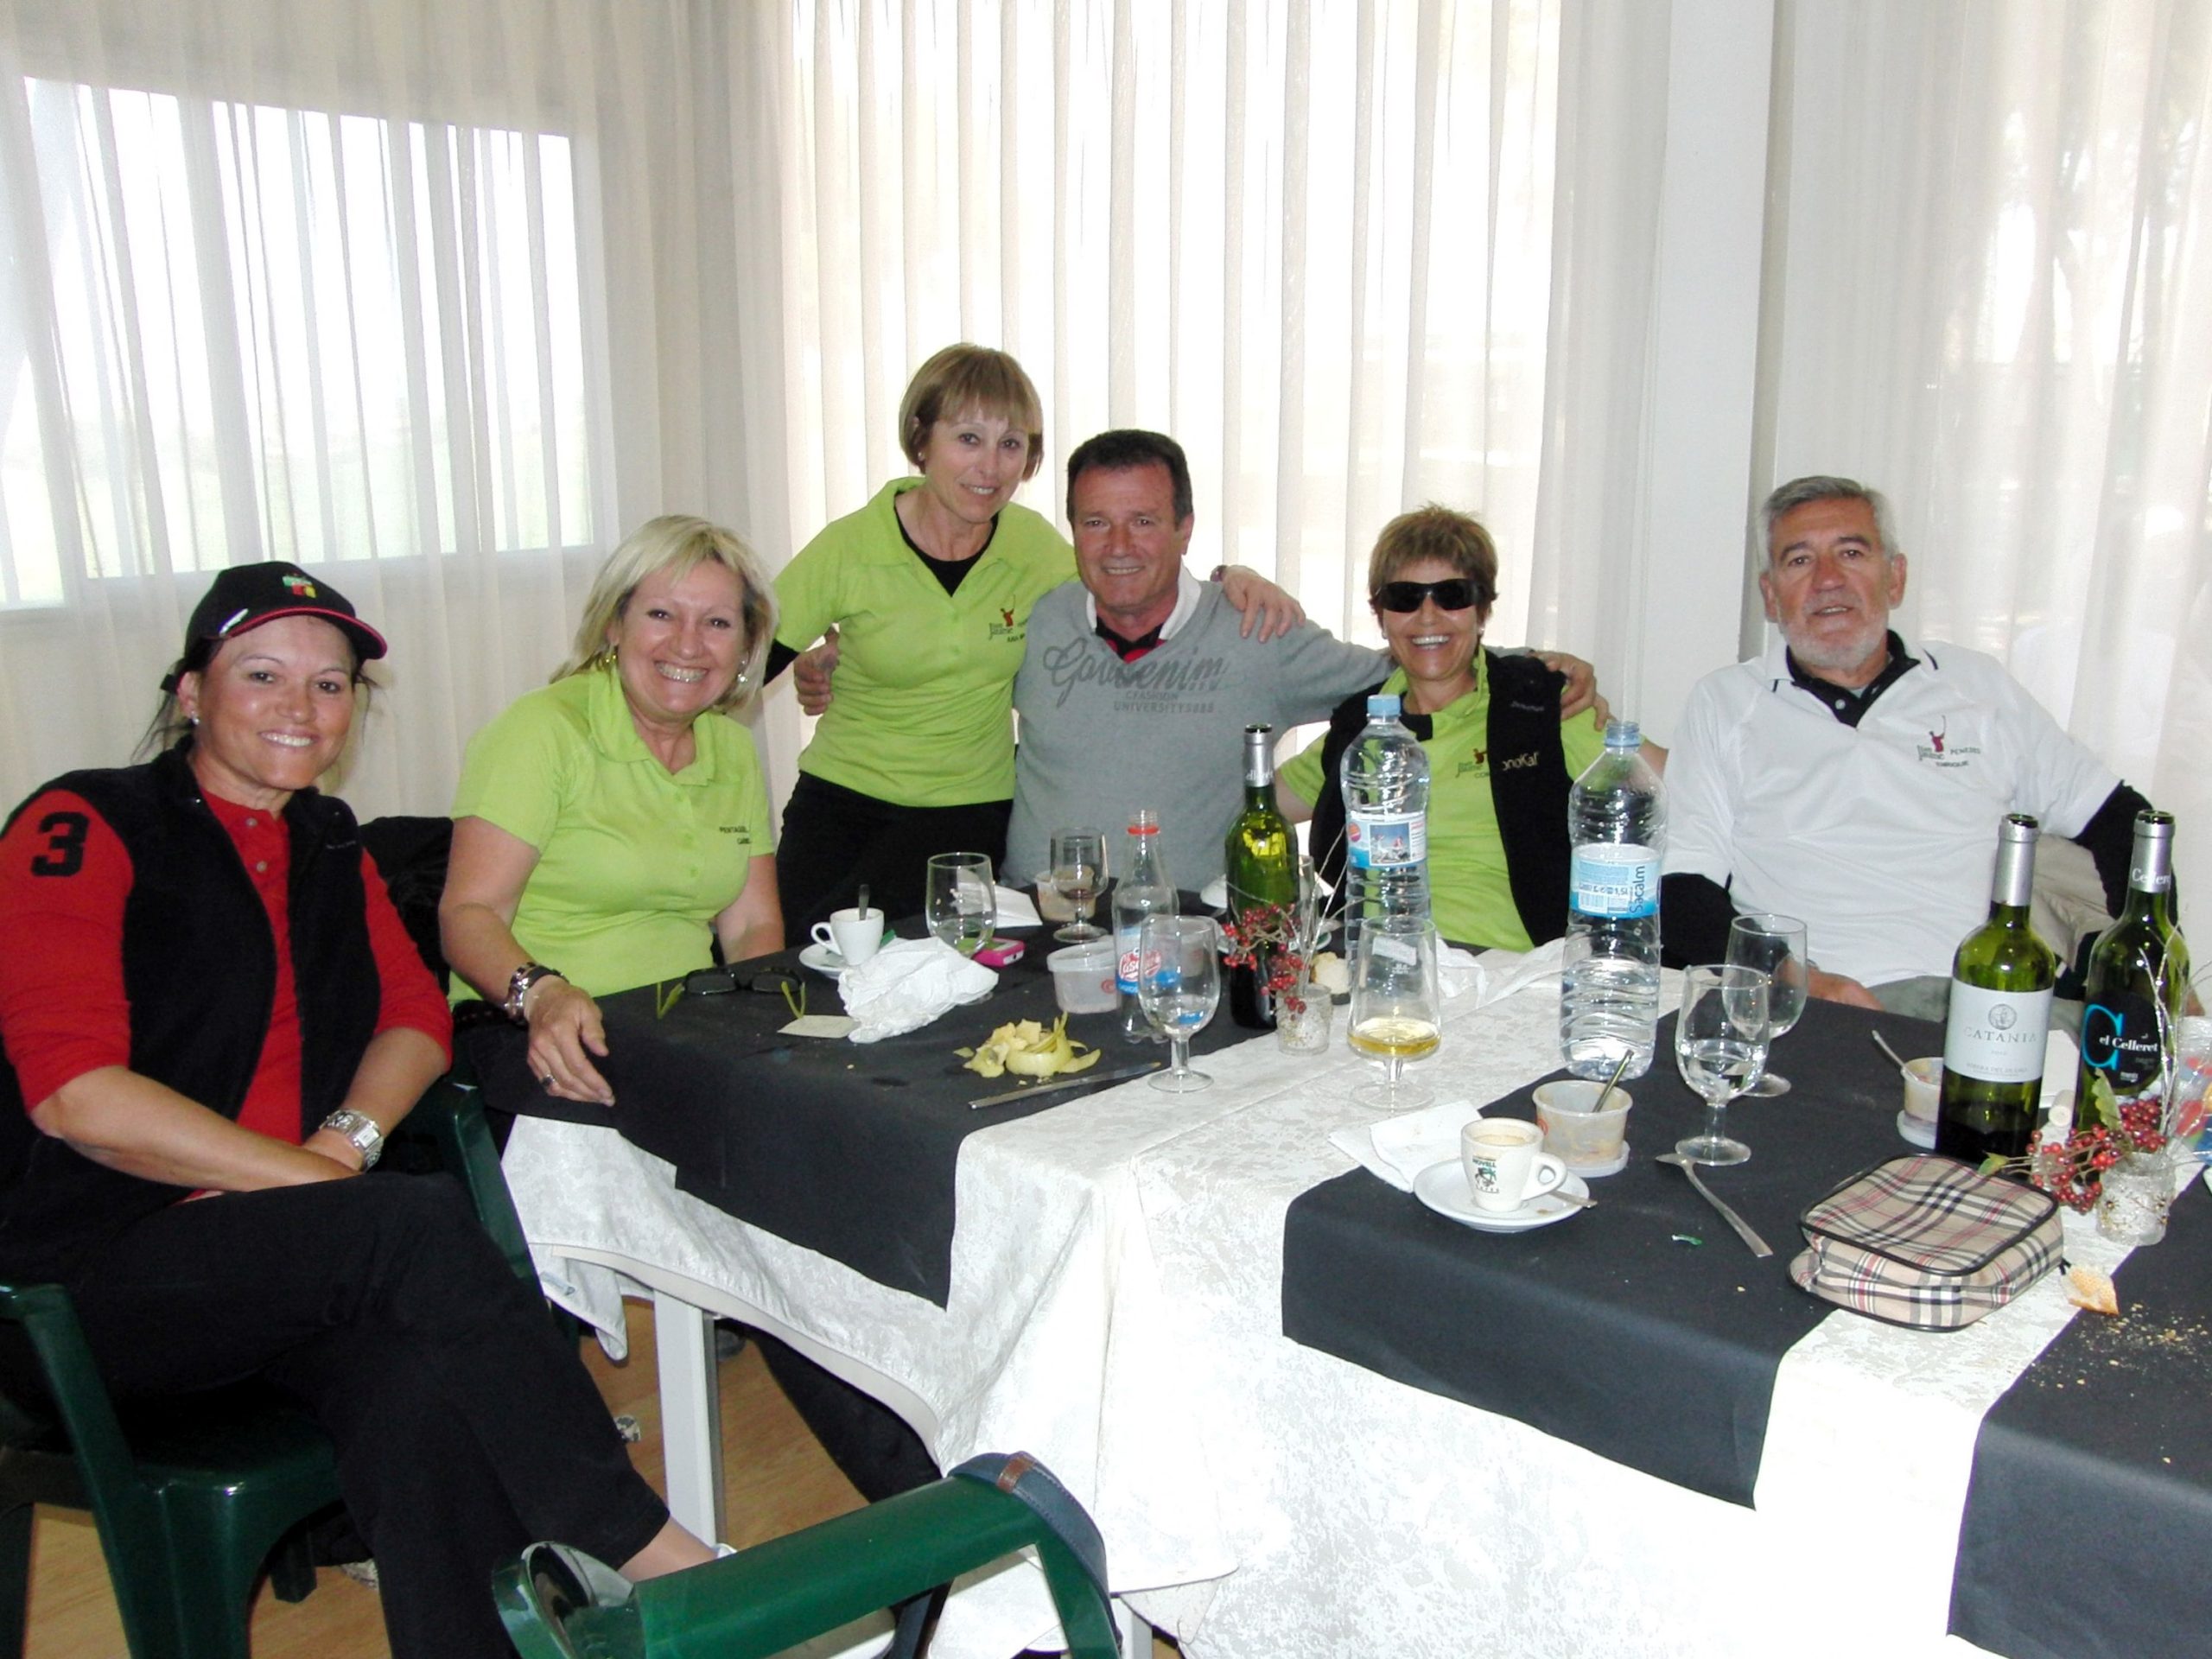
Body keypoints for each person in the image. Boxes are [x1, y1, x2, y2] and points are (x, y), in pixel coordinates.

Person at [0, 563, 712, 1659]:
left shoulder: (327, 839)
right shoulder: (87, 822)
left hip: (273, 1265)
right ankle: (642, 1547)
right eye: (262, 675)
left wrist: (348, 1141)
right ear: (190, 691)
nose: (301, 706)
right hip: (88, 1279)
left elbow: (417, 1018)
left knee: (416, 1392)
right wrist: (316, 1183)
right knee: (410, 1221)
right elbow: (77, 1099)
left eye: (329, 685)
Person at [768, 345, 1302, 932]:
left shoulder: (1032, 546)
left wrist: (1232, 578)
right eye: (968, 439)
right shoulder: (850, 546)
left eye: (1011, 444)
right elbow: (742, 659)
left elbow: (1129, 581)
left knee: (947, 975)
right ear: (921, 440)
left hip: (970, 817)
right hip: (844, 807)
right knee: (795, 969)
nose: (990, 467)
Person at [1003, 432, 1605, 890]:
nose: (1118, 546)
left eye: (1143, 521)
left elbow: (1414, 660)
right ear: (1073, 529)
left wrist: (1535, 670)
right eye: (1096, 523)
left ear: (1185, 529)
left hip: (1186, 930)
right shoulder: (1036, 615)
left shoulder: (1256, 633)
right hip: (1035, 921)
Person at [1660, 474, 2153, 1013]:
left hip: (1989, 1004)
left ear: (1895, 578)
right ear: (1771, 595)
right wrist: (1791, 977)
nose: (1828, 579)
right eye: (1799, 560)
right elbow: (1683, 886)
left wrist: (2144, 960)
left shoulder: (1977, 687)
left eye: (1851, 553)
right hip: (1822, 1005)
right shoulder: (1726, 702)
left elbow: (2123, 821)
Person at [441, 515, 783, 1108]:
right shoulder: (541, 731)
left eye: (718, 623)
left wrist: (749, 1029)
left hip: (681, 1030)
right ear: (613, 623)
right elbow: (469, 915)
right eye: (661, 614)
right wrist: (544, 994)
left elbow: (753, 925)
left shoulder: (731, 747)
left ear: (747, 647)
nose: (688, 644)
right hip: (536, 1027)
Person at [1276, 504, 1658, 948]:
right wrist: (1233, 578)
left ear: (1482, 612)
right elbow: (1253, 810)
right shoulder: (1357, 730)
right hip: (1373, 962)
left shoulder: (1540, 707)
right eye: (1404, 597)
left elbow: (1684, 787)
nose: (1428, 615)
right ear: (1380, 616)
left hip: (1502, 967)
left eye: (1452, 595)